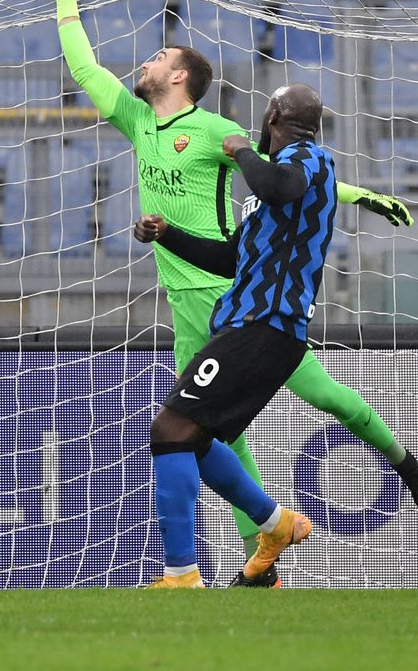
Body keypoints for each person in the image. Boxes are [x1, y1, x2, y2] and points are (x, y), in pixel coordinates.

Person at [39, 0, 418, 583]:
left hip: (234, 291)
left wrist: (359, 195)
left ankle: (401, 464)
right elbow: (85, 67)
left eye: (158, 57)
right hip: (185, 294)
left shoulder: (213, 129)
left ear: (180, 77)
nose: (145, 62)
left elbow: (286, 180)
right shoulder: (138, 121)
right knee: (206, 430)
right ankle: (263, 552)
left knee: (319, 397)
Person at [133, 83, 339, 587]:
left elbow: (278, 185)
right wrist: (168, 235)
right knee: (194, 437)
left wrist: (242, 150)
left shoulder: (304, 161)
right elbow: (228, 259)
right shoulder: (271, 196)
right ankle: (276, 524)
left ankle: (182, 574)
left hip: (261, 327)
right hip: (253, 328)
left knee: (170, 429)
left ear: (273, 117)